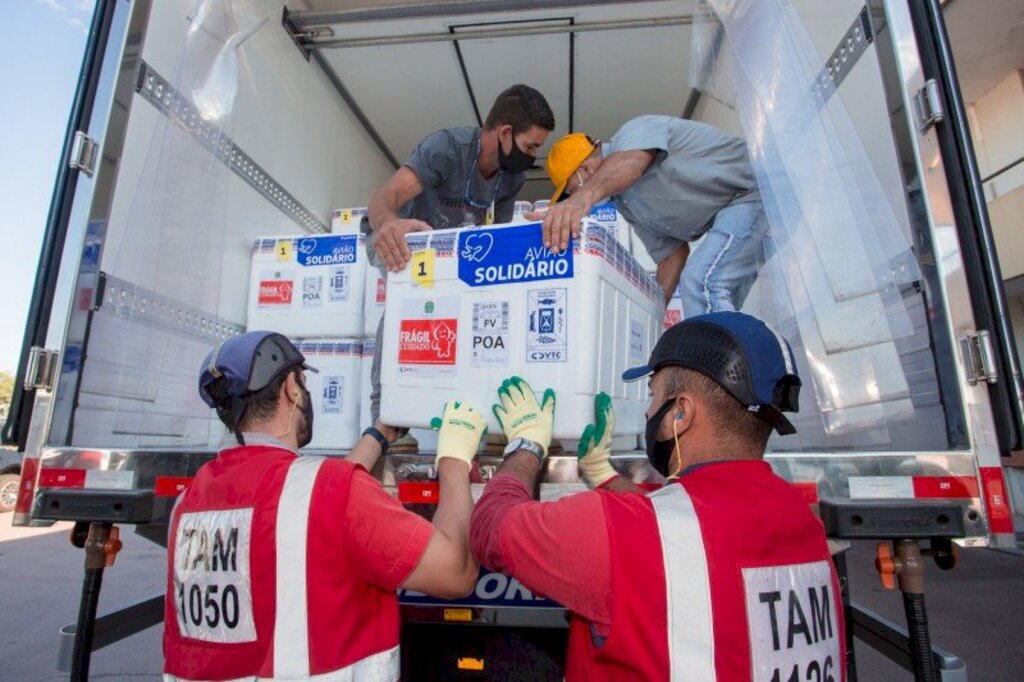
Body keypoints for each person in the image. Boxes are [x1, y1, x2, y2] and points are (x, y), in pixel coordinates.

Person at [470, 312, 845, 681]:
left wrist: (526, 446)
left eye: (652, 395)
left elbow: (489, 528)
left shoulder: (626, 534)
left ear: (681, 413)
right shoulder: (805, 525)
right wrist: (604, 476)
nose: (649, 410)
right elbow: (690, 538)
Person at [163, 331, 488, 681]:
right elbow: (457, 573)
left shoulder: (187, 505)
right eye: (304, 383)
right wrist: (454, 459)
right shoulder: (331, 491)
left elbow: (305, 505)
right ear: (292, 388)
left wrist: (378, 436)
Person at [363, 84, 555, 449]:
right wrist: (387, 224)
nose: (533, 156)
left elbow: (493, 237)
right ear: (505, 133)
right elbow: (383, 197)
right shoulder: (447, 149)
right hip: (400, 237)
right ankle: (386, 419)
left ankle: (477, 417)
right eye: (531, 146)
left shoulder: (511, 178)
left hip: (450, 249)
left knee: (473, 313)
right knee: (407, 307)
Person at [541, 116, 766, 318]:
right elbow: (671, 254)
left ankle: (717, 353)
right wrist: (652, 315)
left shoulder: (633, 133)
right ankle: (741, 349)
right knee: (717, 302)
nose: (575, 196)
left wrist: (581, 199)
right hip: (735, 209)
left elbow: (632, 163)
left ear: (584, 169)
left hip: (757, 189)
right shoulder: (626, 203)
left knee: (701, 282)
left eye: (573, 190)